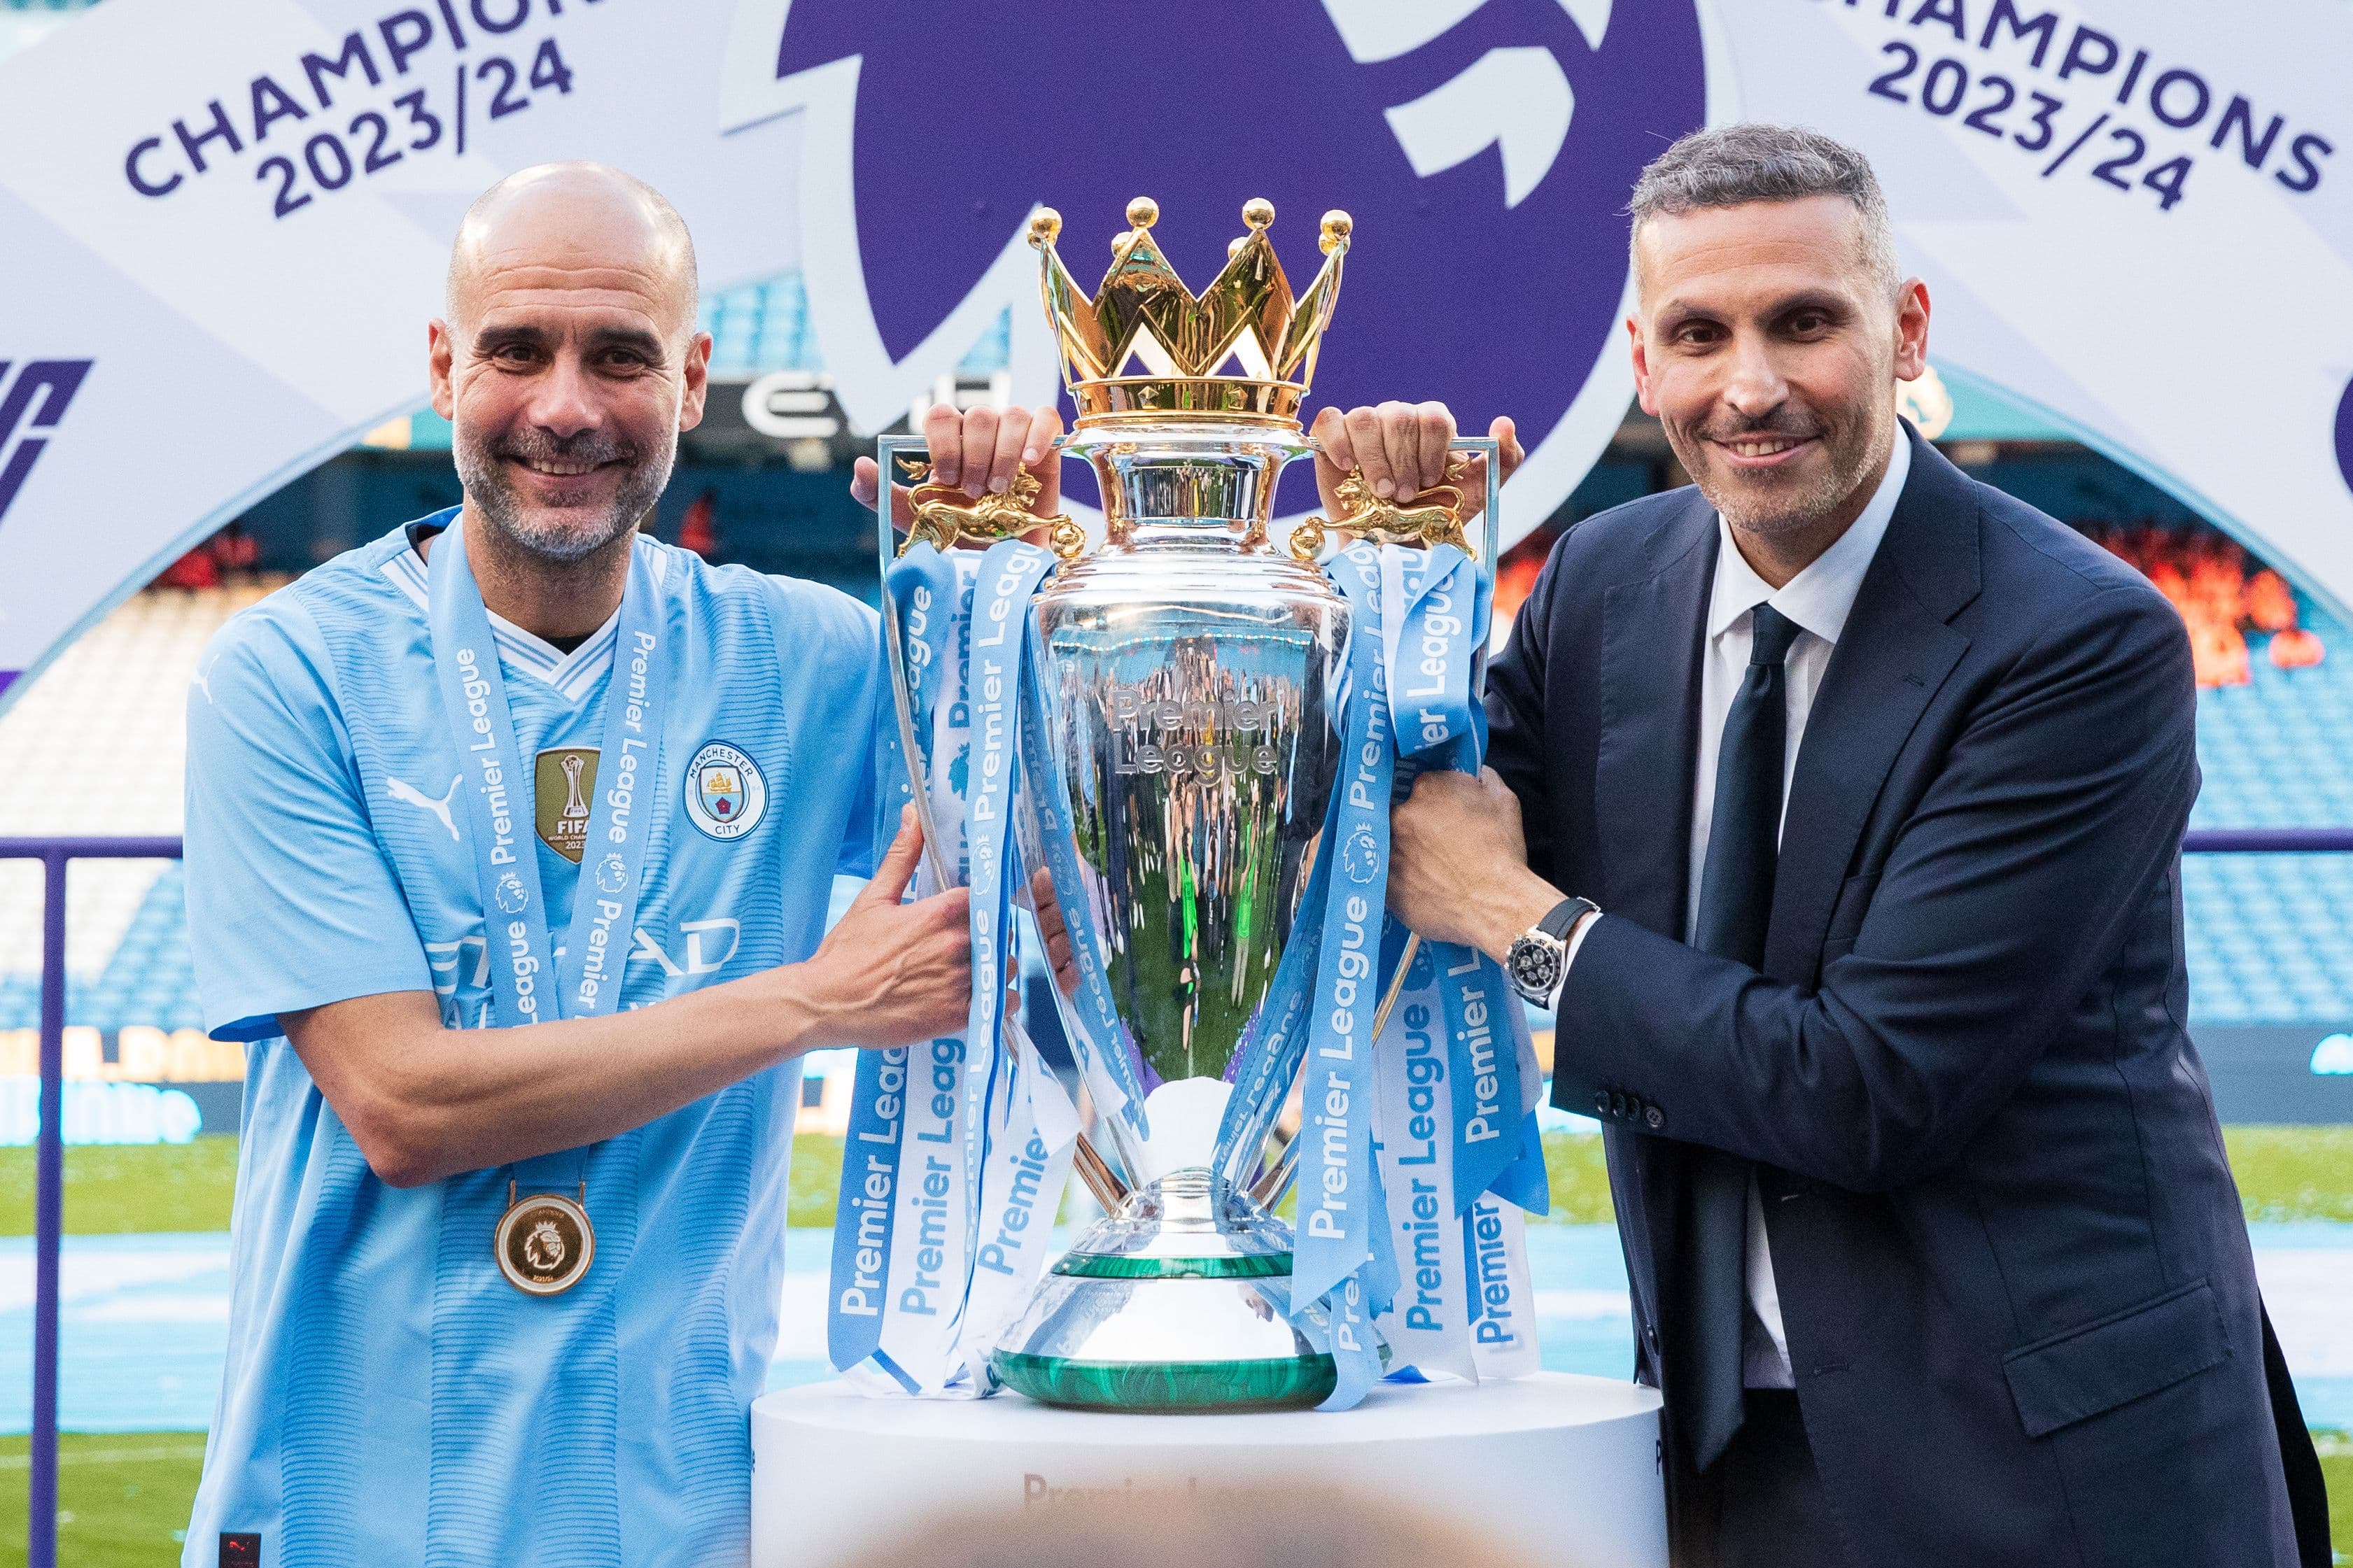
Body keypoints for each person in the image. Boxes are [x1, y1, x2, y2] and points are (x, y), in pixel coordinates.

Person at [1356, 125, 2330, 1565]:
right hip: (1716, 1451)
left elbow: (1866, 1086)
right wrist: (1383, 562)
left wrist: (1526, 922)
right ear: (1643, 359)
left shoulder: (2078, 639)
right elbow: (1410, 838)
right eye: (1700, 333)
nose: (1749, 387)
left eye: (1802, 322)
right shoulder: (1603, 586)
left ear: (1904, 327)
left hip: (2045, 1465)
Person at [180, 162, 975, 1566]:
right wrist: (811, 1000)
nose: (563, 405)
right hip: (350, 1506)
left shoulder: (814, 659)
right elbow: (401, 1102)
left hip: (672, 1509)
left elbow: (1061, 855)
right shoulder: (287, 670)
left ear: (690, 378)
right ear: (443, 367)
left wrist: (1011, 541)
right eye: (513, 349)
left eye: (620, 355)